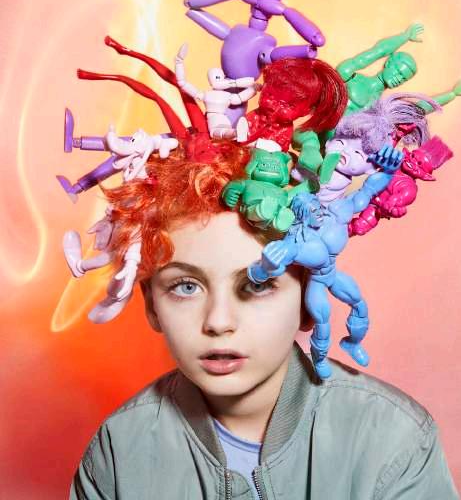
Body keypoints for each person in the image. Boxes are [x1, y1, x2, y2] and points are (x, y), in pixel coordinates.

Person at [70, 140, 458, 500]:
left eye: (257, 285)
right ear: (152, 305)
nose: (218, 321)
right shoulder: (118, 450)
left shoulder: (393, 440)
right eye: (186, 286)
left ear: (306, 303)